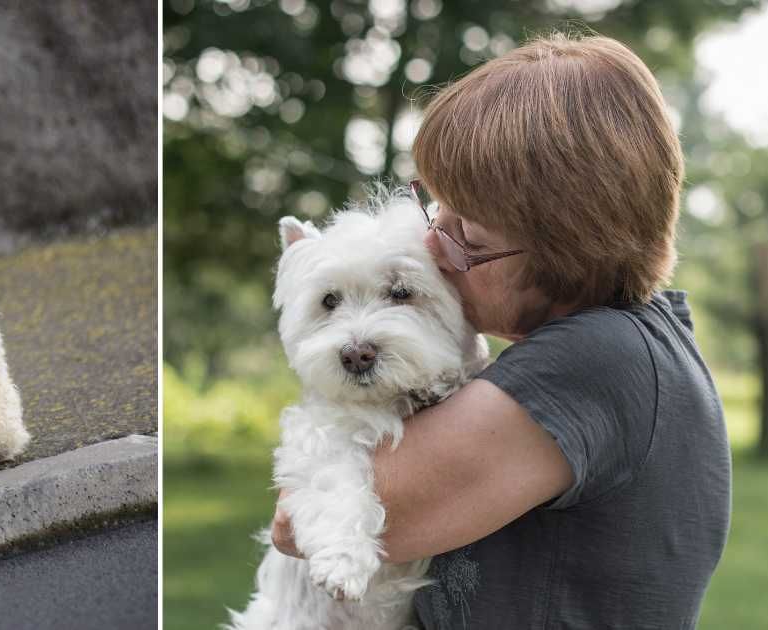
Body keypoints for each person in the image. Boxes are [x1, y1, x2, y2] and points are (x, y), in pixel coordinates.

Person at [269, 33, 731, 628]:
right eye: (438, 209)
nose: (434, 243)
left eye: (469, 235)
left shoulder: (596, 358)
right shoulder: (646, 341)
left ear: (563, 249)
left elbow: (304, 520)